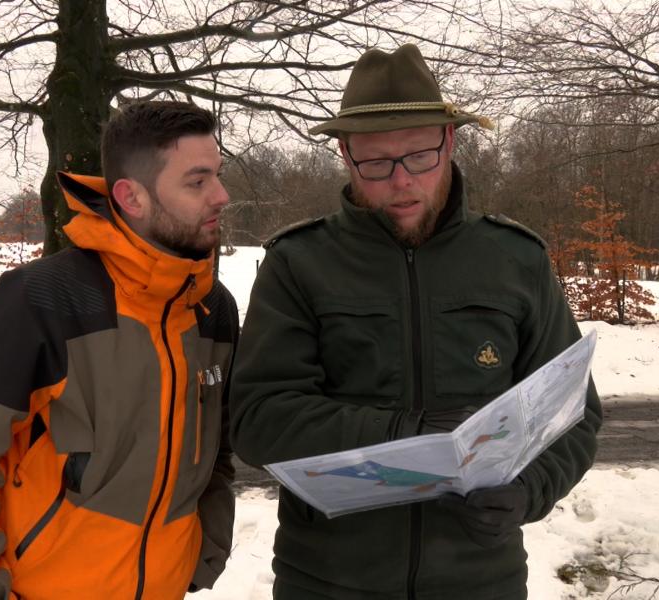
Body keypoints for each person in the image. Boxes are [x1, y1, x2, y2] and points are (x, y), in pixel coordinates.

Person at [229, 44, 602, 599]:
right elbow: (259, 419)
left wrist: (528, 491)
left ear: (449, 142)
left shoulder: (514, 259)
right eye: (375, 163)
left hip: (481, 580)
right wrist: (412, 435)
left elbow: (573, 413)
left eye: (420, 156)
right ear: (345, 155)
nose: (401, 182)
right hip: (327, 580)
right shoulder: (299, 263)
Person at [0, 100, 238, 600]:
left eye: (217, 175)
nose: (221, 195)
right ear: (132, 197)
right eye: (197, 182)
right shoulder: (39, 300)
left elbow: (215, 455)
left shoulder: (214, 309)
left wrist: (206, 550)